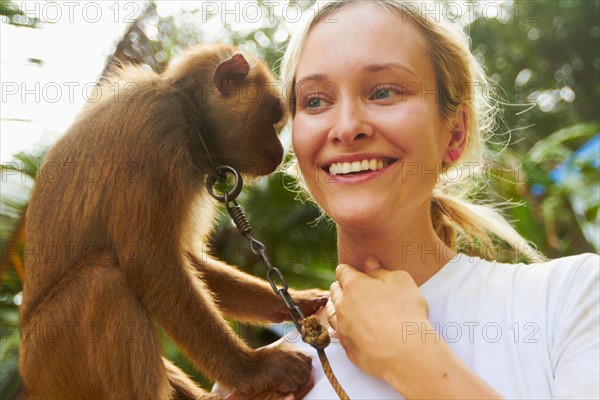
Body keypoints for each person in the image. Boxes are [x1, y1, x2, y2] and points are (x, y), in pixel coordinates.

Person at [216, 0, 599, 398]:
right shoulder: (268, 379)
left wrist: (411, 358)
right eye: (315, 100)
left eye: (383, 92)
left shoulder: (572, 299)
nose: (346, 128)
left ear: (454, 134)